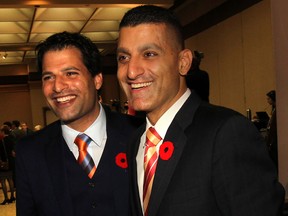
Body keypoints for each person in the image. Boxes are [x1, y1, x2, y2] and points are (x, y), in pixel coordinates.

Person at [116, 5, 284, 216]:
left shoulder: (226, 133)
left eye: (149, 54)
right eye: (124, 58)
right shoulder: (136, 141)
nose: (131, 70)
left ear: (183, 63)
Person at [16, 31, 143, 216]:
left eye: (70, 73)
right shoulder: (30, 153)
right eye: (48, 77)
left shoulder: (140, 134)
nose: (58, 86)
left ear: (97, 79)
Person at [0, 125, 16, 205]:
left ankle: (6, 198)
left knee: (3, 180)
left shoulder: (1, 141)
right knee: (10, 179)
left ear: (3, 132)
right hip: (11, 162)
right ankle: (12, 196)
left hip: (3, 162)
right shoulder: (11, 139)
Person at [266, 90, 278, 170]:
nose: (267, 101)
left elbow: (273, 127)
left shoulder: (277, 110)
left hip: (274, 139)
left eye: (269, 99)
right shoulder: (273, 109)